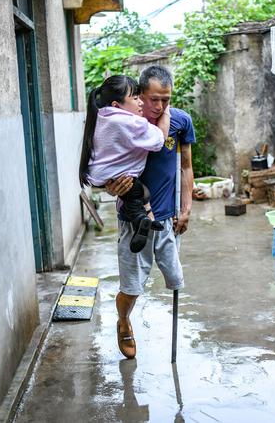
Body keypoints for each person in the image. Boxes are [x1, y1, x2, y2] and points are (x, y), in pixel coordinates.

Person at [107, 65, 195, 359]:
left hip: (168, 219)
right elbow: (108, 164)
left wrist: (186, 208)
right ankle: (123, 320)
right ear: (140, 95)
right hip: (133, 221)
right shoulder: (126, 123)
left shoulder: (181, 121)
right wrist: (110, 187)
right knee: (131, 288)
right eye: (153, 99)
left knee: (175, 280)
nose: (159, 106)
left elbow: (185, 166)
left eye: (166, 100)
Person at [79, 75, 171, 253]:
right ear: (116, 105)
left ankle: (144, 221)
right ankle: (145, 218)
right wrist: (167, 112)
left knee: (137, 195)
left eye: (165, 101)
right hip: (117, 175)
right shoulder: (129, 121)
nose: (141, 103)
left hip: (103, 173)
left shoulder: (102, 117)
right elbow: (159, 139)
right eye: (136, 98)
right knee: (140, 192)